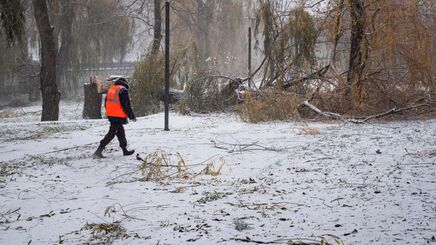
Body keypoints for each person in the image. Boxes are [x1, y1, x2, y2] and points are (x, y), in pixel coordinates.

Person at [93, 77, 136, 158]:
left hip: (111, 115)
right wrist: (131, 116)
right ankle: (98, 152)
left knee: (120, 132)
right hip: (117, 115)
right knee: (111, 134)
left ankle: (125, 150)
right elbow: (126, 105)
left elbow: (106, 104)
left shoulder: (111, 89)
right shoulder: (123, 90)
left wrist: (110, 113)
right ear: (125, 84)